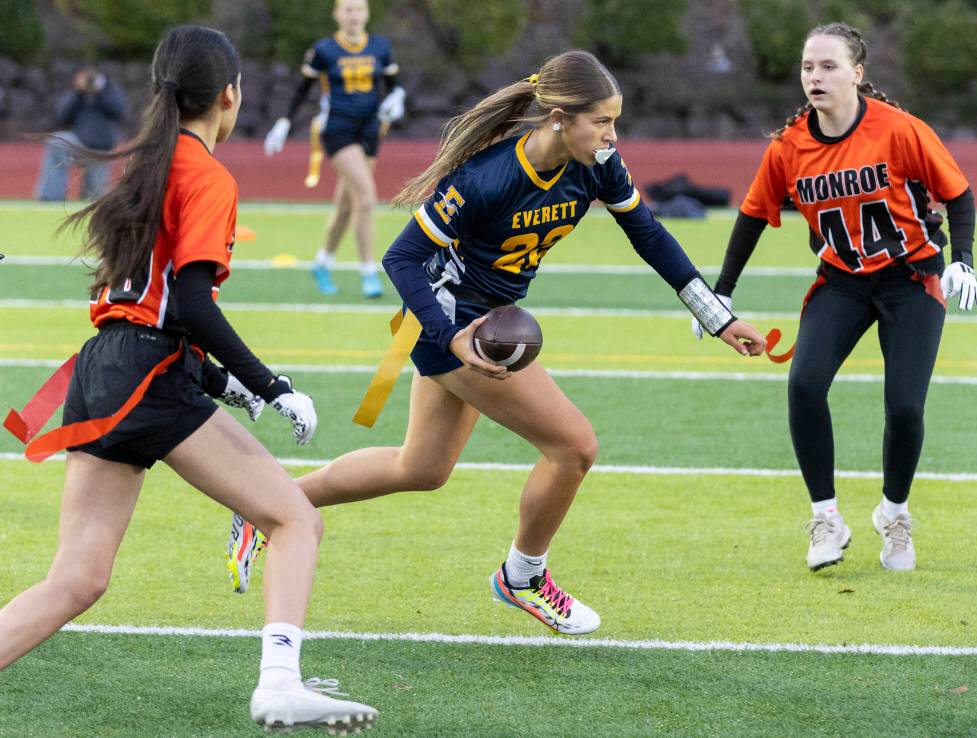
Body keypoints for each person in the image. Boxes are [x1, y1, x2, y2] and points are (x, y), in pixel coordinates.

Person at [231, 50, 766, 636]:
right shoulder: (488, 176)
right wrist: (451, 336)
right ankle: (523, 577)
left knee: (422, 468)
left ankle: (268, 506)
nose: (613, 134)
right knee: (575, 447)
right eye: (603, 121)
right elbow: (402, 257)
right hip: (449, 320)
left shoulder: (598, 163)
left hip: (481, 321)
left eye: (615, 121)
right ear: (560, 117)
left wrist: (716, 318)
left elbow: (649, 235)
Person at [0, 26, 378, 733]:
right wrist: (268, 384)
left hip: (108, 369)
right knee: (295, 517)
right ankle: (278, 684)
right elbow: (193, 300)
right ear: (228, 95)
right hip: (147, 376)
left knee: (77, 579)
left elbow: (152, 306)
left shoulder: (144, 166)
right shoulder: (204, 174)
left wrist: (219, 382)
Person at [693, 22, 977, 573]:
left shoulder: (899, 130)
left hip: (911, 276)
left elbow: (959, 193)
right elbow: (752, 216)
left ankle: (893, 514)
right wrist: (719, 296)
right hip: (843, 280)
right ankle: (826, 518)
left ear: (858, 73)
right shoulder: (789, 145)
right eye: (807, 67)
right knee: (803, 384)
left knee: (904, 405)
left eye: (828, 66)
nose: (815, 77)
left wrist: (963, 258)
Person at [263, 0, 405, 298]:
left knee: (345, 205)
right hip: (338, 129)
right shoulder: (325, 50)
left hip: (370, 129)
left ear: (367, 13)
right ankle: (368, 271)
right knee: (366, 198)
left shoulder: (380, 46)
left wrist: (397, 99)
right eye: (348, 9)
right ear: (337, 14)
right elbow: (303, 89)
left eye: (359, 9)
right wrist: (285, 122)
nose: (353, 15)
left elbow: (394, 85)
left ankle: (322, 262)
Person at [35, 66, 126, 201]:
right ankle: (50, 197)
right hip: (79, 142)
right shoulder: (78, 95)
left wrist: (100, 91)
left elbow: (119, 111)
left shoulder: (110, 89)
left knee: (95, 197)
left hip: (101, 148)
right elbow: (62, 116)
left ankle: (89, 197)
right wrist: (78, 93)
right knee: (57, 142)